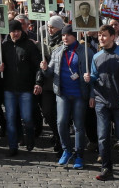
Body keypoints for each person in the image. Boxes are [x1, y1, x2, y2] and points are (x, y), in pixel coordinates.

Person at [87, 24, 119, 181]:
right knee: (102, 136)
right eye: (100, 36)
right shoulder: (96, 56)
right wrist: (90, 79)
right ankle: (106, 168)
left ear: (113, 37)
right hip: (102, 101)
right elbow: (95, 77)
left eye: (104, 36)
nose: (101, 38)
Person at [44, 24, 92, 169]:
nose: (65, 37)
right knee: (61, 122)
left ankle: (79, 155)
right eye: (63, 35)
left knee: (78, 125)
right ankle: (66, 150)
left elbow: (94, 73)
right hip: (62, 93)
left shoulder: (85, 51)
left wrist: (90, 81)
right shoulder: (58, 51)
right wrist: (45, 69)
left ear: (75, 36)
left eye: (68, 35)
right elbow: (50, 73)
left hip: (79, 94)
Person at [0, 19, 42, 156]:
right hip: (9, 88)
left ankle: (30, 137)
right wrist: (0, 68)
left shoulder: (29, 45)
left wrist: (38, 82)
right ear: (9, 32)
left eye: (18, 31)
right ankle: (13, 146)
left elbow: (38, 66)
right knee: (10, 119)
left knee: (27, 118)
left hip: (26, 89)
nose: (16, 33)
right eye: (13, 31)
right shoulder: (4, 46)